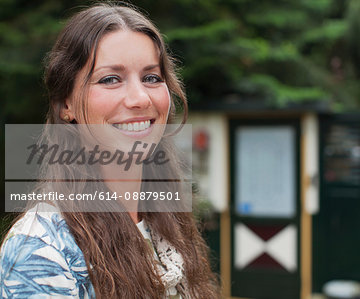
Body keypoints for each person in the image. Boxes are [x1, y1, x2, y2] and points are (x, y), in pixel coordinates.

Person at [0, 3, 220, 298]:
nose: (140, 98)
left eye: (151, 77)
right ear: (66, 104)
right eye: (110, 79)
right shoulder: (40, 248)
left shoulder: (166, 218)